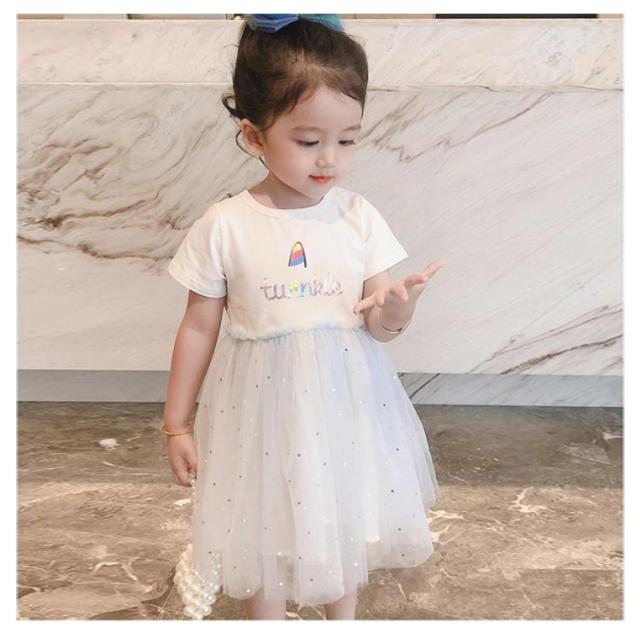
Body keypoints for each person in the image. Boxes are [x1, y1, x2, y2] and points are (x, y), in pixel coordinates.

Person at [162, 13, 444, 621]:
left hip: (346, 405)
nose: (330, 160)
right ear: (254, 136)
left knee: (341, 512)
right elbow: (198, 326)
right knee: (262, 517)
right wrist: (176, 424)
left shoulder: (357, 216)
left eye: (348, 140)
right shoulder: (226, 225)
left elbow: (378, 325)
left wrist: (398, 310)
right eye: (309, 140)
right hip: (257, 409)